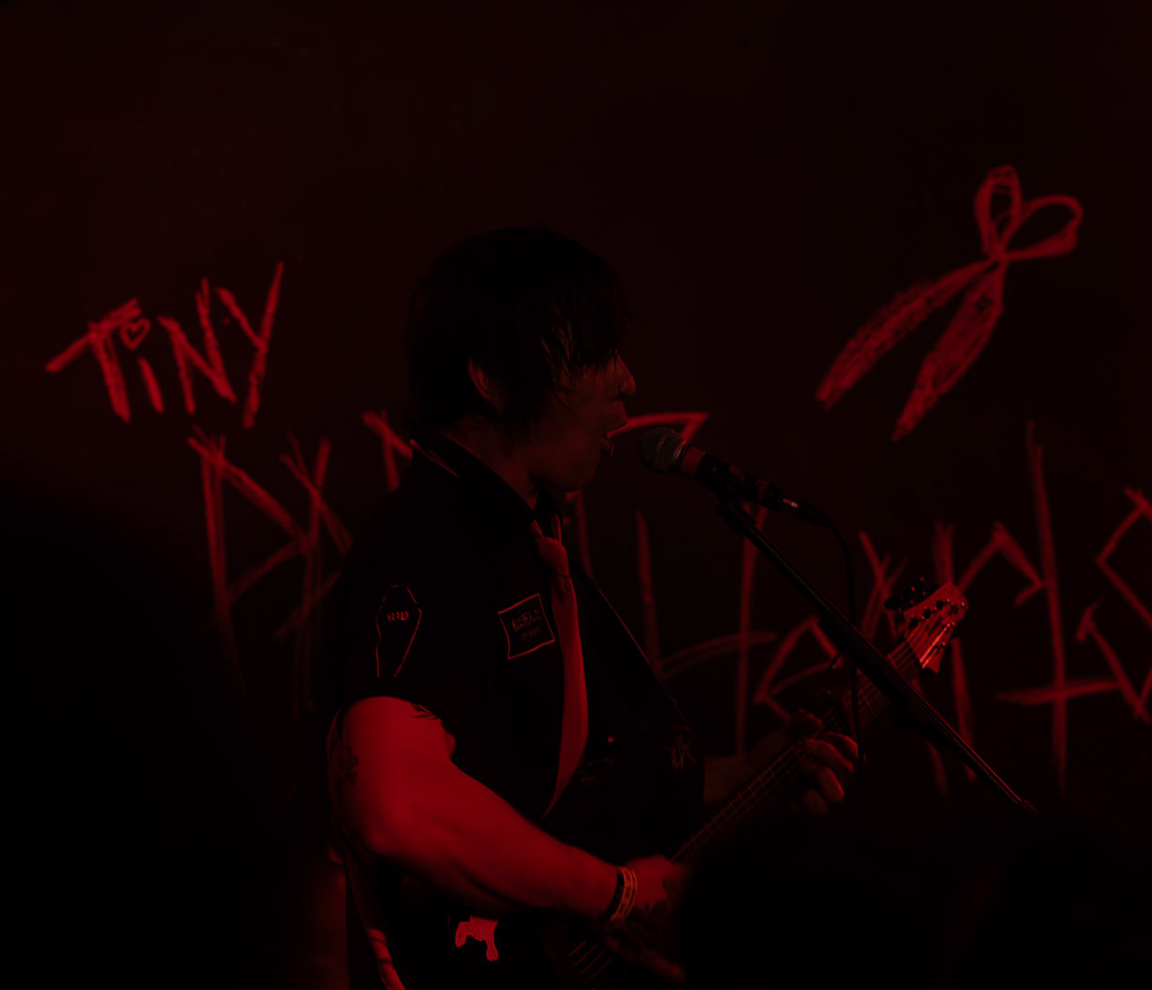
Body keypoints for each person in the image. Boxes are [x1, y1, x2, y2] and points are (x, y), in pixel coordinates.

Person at [325, 227, 859, 989]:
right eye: (595, 354)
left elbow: (554, 795)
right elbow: (393, 801)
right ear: (492, 379)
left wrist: (746, 775)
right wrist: (618, 897)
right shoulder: (430, 544)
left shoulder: (521, 538)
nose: (628, 382)